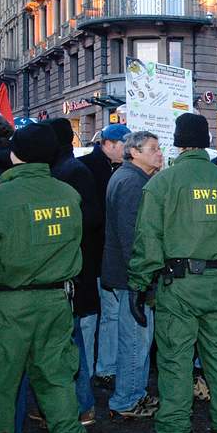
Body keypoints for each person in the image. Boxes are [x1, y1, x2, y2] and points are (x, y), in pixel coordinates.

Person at [128, 113, 217, 433]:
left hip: (179, 286)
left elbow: (147, 239)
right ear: (206, 140)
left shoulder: (163, 183)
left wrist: (139, 285)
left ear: (178, 142)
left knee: (175, 363)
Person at [0, 123, 90, 433]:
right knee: (56, 380)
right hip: (56, 300)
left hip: (9, 304)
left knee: (3, 384)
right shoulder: (68, 195)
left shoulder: (3, 196)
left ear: (15, 155)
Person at [102, 131, 162, 420]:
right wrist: (141, 280)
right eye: (152, 148)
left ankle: (133, 393)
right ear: (134, 152)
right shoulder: (131, 183)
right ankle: (127, 399)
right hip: (132, 277)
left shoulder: (130, 178)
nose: (159, 153)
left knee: (137, 337)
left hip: (130, 275)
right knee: (135, 339)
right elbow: (132, 237)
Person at [47, 118, 101, 424]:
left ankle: (82, 405)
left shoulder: (72, 172)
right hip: (71, 268)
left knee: (72, 340)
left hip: (72, 270)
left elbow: (91, 218)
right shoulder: (67, 169)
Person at [79, 123, 130, 390]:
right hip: (94, 256)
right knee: (91, 317)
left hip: (106, 256)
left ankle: (104, 368)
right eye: (124, 145)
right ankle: (91, 370)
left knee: (108, 314)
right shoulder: (86, 167)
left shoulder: (122, 169)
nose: (128, 150)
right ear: (108, 144)